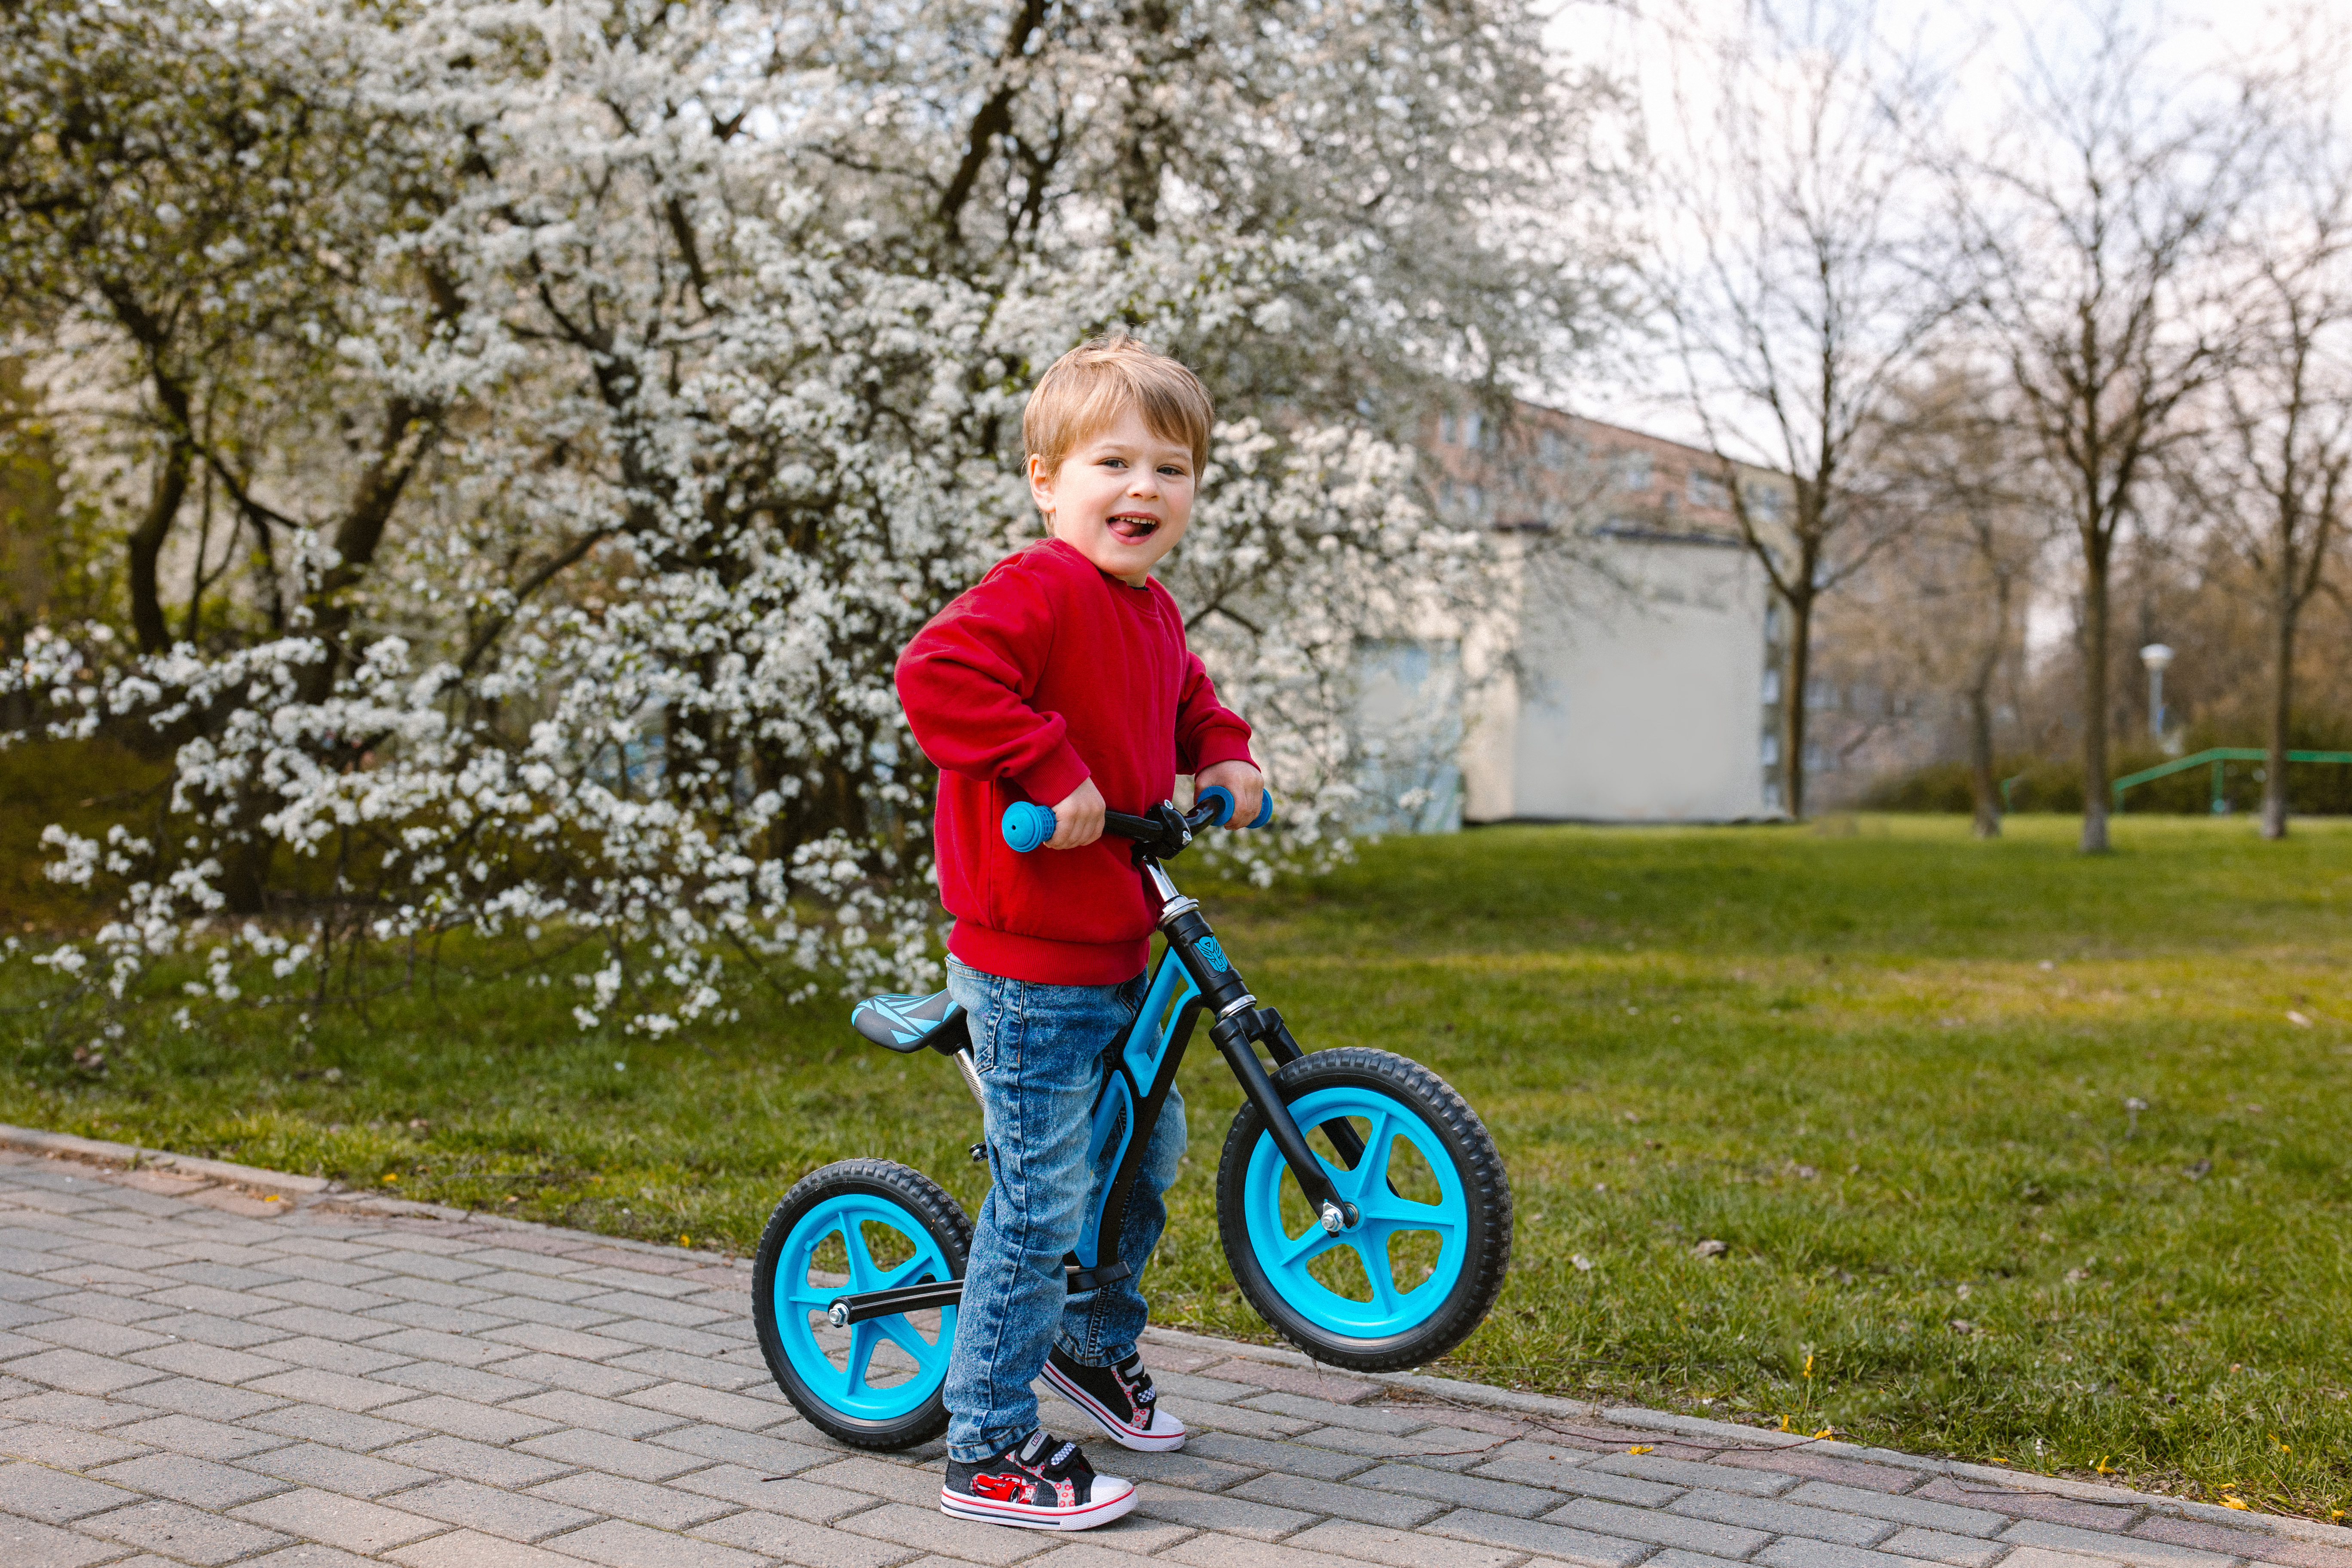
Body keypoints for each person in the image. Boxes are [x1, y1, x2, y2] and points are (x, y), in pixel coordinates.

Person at [896, 336, 1265, 1531]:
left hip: (1116, 948)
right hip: (1026, 963)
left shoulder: (1149, 612)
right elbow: (938, 674)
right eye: (1115, 461)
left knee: (1140, 1168)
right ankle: (990, 1447)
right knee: (1042, 1200)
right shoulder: (1034, 591)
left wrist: (1225, 753)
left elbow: (1191, 700)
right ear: (1048, 478)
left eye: (1174, 468)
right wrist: (1051, 772)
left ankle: (1092, 1353)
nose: (1146, 490)